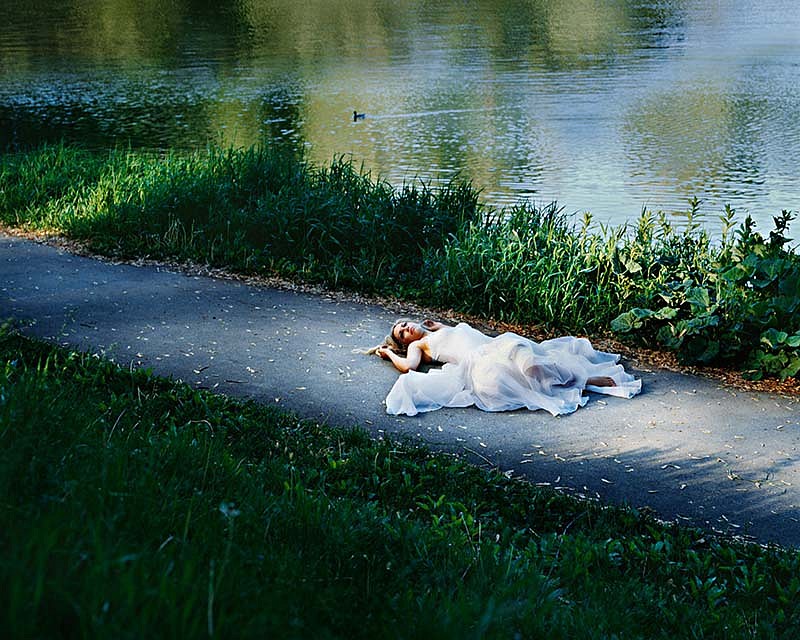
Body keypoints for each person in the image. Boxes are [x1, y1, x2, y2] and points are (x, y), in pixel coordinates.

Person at [372, 319, 641, 416]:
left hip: (499, 345)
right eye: (402, 333)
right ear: (404, 342)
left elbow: (459, 334)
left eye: (405, 323)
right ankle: (585, 382)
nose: (406, 328)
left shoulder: (438, 329)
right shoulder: (419, 347)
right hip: (481, 362)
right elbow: (409, 367)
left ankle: (582, 379)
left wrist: (439, 326)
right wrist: (388, 353)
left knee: (533, 364)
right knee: (528, 375)